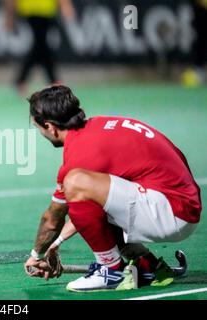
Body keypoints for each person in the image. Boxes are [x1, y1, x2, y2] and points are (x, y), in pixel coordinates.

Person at [24, 85, 202, 292]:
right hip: (179, 202)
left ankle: (110, 270)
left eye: (39, 129)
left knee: (75, 182)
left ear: (50, 126)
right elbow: (88, 208)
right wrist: (56, 244)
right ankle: (146, 264)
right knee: (87, 190)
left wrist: (36, 255)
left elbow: (52, 219)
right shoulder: (100, 126)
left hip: (172, 213)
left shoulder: (81, 155)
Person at [3, 0, 75, 95]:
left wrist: (65, 4)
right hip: (31, 8)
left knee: (40, 45)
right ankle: (53, 81)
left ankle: (22, 80)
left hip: (45, 8)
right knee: (41, 44)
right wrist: (9, 15)